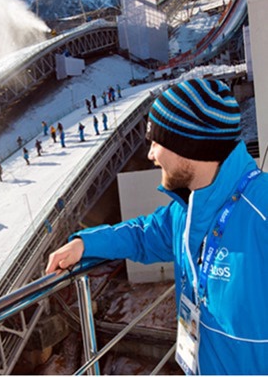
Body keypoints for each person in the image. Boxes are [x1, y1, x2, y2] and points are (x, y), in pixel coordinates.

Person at [45, 79, 268, 375]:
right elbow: (142, 235)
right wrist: (85, 244)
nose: (150, 154)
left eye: (156, 142)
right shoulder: (185, 212)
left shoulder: (261, 210)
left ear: (189, 145)